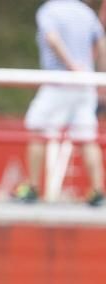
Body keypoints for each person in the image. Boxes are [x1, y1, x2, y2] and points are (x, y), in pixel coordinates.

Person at [13, 0, 106, 206]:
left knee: (38, 132)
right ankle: (98, 191)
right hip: (86, 84)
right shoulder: (87, 14)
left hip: (59, 82)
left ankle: (32, 188)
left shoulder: (50, 10)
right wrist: (100, 79)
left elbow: (52, 39)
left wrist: (72, 67)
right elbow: (101, 44)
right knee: (87, 138)